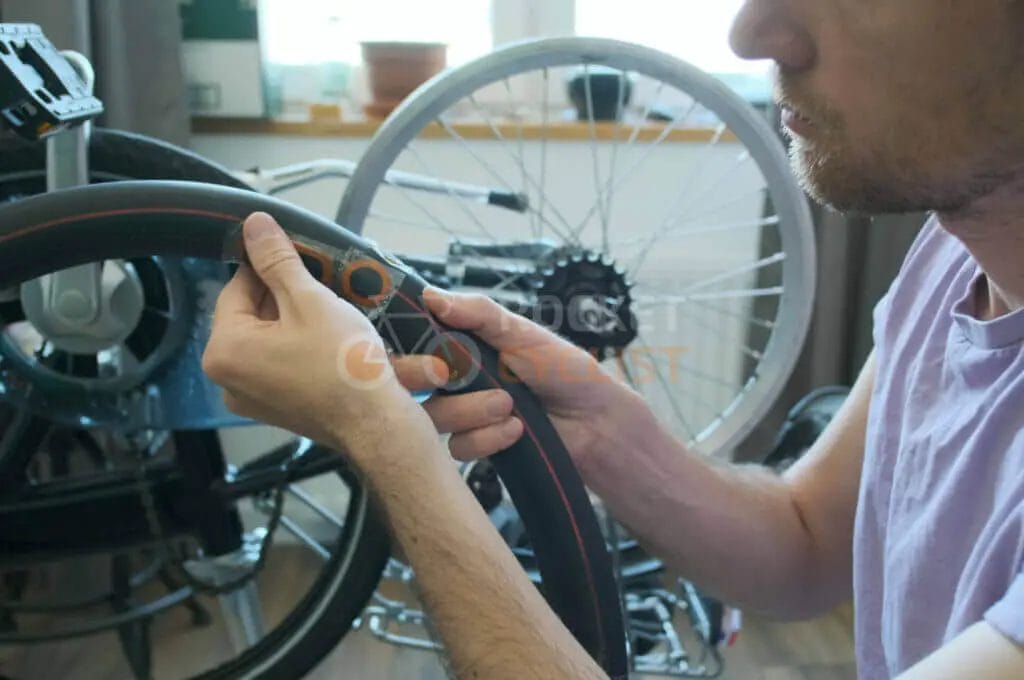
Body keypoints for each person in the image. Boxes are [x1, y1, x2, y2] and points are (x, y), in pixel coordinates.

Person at [202, 1, 1024, 677]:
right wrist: (606, 434)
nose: (751, 30)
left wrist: (382, 440)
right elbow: (805, 546)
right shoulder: (954, 256)